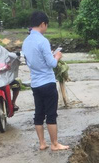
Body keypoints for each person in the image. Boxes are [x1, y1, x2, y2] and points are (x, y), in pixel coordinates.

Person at [22, 11, 68, 151]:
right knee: (51, 114)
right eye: (46, 25)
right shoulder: (43, 41)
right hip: (47, 82)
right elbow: (52, 64)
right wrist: (57, 56)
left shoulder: (26, 41)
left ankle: (42, 143)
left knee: (39, 114)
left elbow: (29, 61)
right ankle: (55, 144)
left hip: (35, 84)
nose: (46, 28)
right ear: (43, 24)